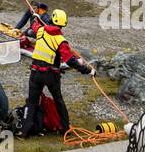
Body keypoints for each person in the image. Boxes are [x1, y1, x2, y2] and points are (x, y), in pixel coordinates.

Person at [21, 9, 94, 137]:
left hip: (35, 72)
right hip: (51, 75)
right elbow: (70, 61)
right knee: (58, 100)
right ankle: (65, 129)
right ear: (63, 24)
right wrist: (87, 70)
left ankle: (24, 131)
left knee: (32, 101)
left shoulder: (41, 30)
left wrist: (36, 17)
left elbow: (34, 25)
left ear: (52, 20)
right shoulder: (61, 41)